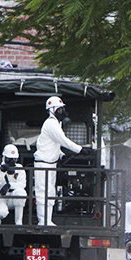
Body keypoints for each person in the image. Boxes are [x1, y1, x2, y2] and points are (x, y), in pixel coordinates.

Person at [33, 96, 93, 226]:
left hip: (51, 164)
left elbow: (53, 144)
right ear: (52, 110)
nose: (63, 112)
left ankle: (47, 220)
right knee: (42, 192)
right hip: (43, 164)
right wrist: (80, 149)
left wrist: (61, 155)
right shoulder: (50, 124)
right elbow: (63, 140)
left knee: (50, 193)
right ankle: (42, 221)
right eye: (60, 109)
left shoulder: (56, 124)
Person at [0, 144, 27, 225]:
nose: (12, 162)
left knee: (21, 192)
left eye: (14, 159)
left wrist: (10, 185)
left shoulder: (19, 168)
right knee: (0, 213)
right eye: (9, 159)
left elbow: (23, 184)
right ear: (4, 158)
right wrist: (2, 172)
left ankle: (18, 222)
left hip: (12, 197)